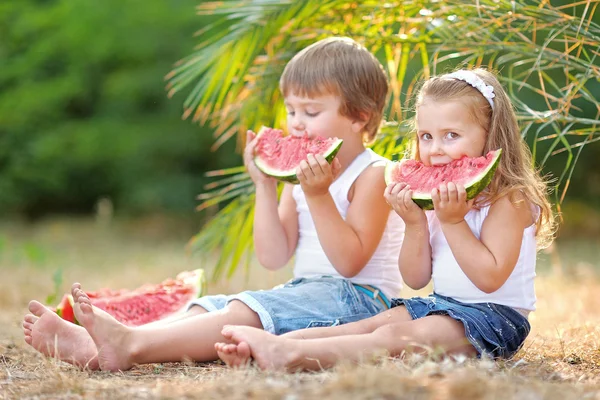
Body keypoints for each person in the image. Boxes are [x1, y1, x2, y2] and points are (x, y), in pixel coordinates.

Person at [22, 36, 405, 371]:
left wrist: (317, 195)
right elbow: (273, 256)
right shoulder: (300, 178)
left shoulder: (373, 174)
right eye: (290, 111)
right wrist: (265, 186)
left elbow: (349, 263)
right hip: (305, 289)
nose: (296, 124)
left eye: (311, 111)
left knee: (244, 312)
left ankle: (130, 347)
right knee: (204, 308)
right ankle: (103, 345)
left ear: (359, 116)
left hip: (362, 301)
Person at [212, 68, 556, 371]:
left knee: (396, 337)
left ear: (491, 134)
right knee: (370, 325)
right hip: (440, 306)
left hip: (493, 319)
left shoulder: (509, 199)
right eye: (426, 136)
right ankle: (268, 344)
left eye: (451, 135)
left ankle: (290, 354)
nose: (435, 148)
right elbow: (416, 278)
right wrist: (415, 225)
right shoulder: (438, 200)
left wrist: (453, 223)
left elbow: (489, 279)